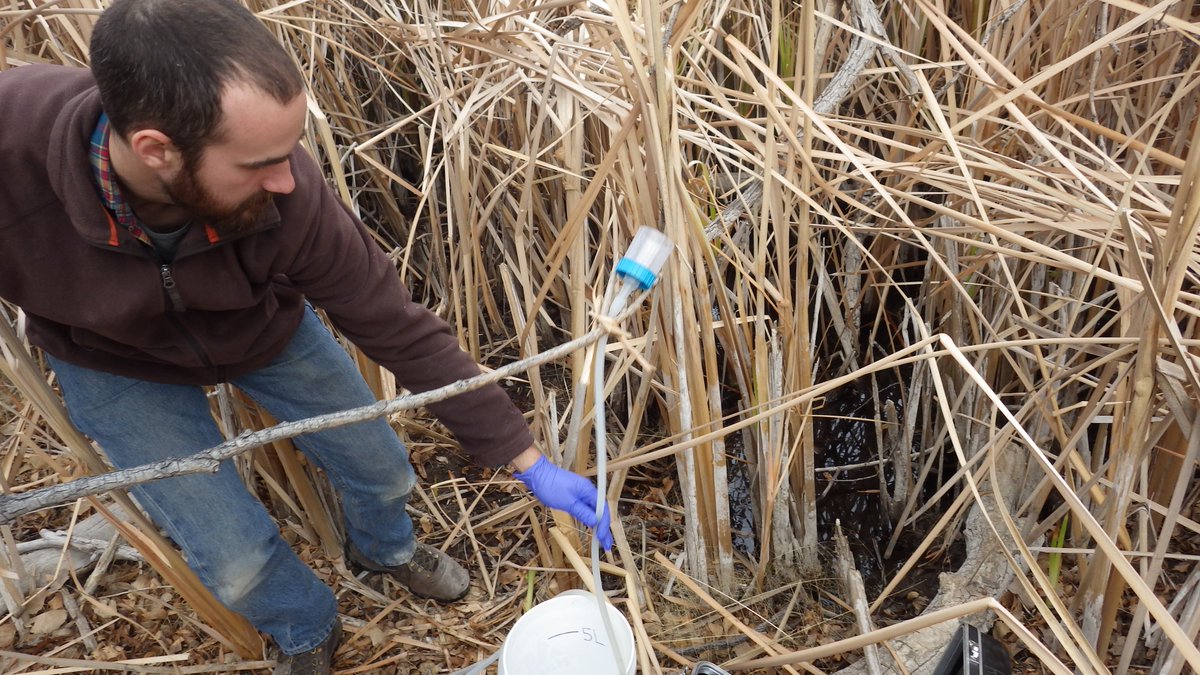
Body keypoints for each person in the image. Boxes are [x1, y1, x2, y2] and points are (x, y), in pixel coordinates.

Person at [0, 0, 613, 672]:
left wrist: (526, 458)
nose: (289, 179)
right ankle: (302, 625)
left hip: (260, 328)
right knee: (232, 560)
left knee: (382, 469)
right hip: (110, 356)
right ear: (156, 150)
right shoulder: (12, 146)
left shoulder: (288, 192)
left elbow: (392, 322)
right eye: (260, 163)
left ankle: (386, 549)